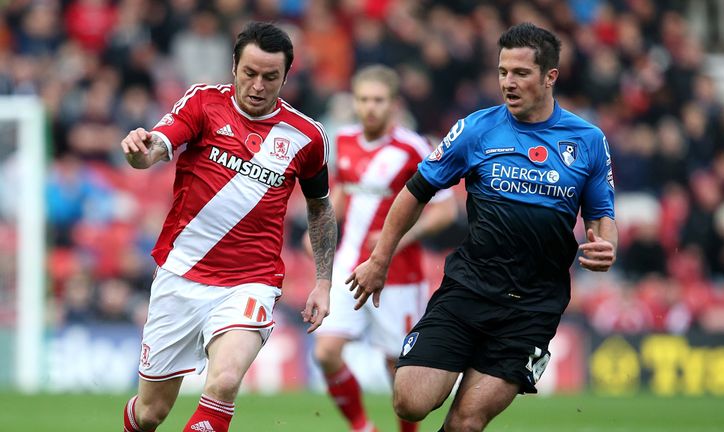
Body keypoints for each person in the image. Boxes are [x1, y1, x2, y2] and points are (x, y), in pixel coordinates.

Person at [347, 23, 618, 432]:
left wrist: (606, 246)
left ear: (550, 77)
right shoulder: (476, 129)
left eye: (521, 73)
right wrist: (379, 259)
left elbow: (602, 215)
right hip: (468, 289)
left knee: (466, 422)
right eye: (502, 71)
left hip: (533, 306)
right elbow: (414, 191)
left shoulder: (588, 140)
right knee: (410, 401)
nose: (508, 82)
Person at [119, 22, 336, 432]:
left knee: (224, 381)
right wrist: (138, 152)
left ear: (286, 77)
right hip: (181, 273)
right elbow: (157, 147)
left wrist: (323, 281)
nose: (257, 85)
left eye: (270, 77)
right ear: (233, 66)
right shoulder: (203, 103)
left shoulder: (307, 136)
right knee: (151, 414)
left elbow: (320, 208)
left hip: (250, 281)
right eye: (249, 73)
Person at [311, 65, 457, 432]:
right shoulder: (342, 140)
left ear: (393, 104)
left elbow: (446, 209)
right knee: (326, 353)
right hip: (347, 266)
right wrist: (320, 229)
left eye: (378, 100)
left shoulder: (413, 148)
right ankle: (363, 427)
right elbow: (342, 195)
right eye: (363, 100)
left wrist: (397, 239)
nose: (370, 108)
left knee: (399, 368)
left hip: (399, 275)